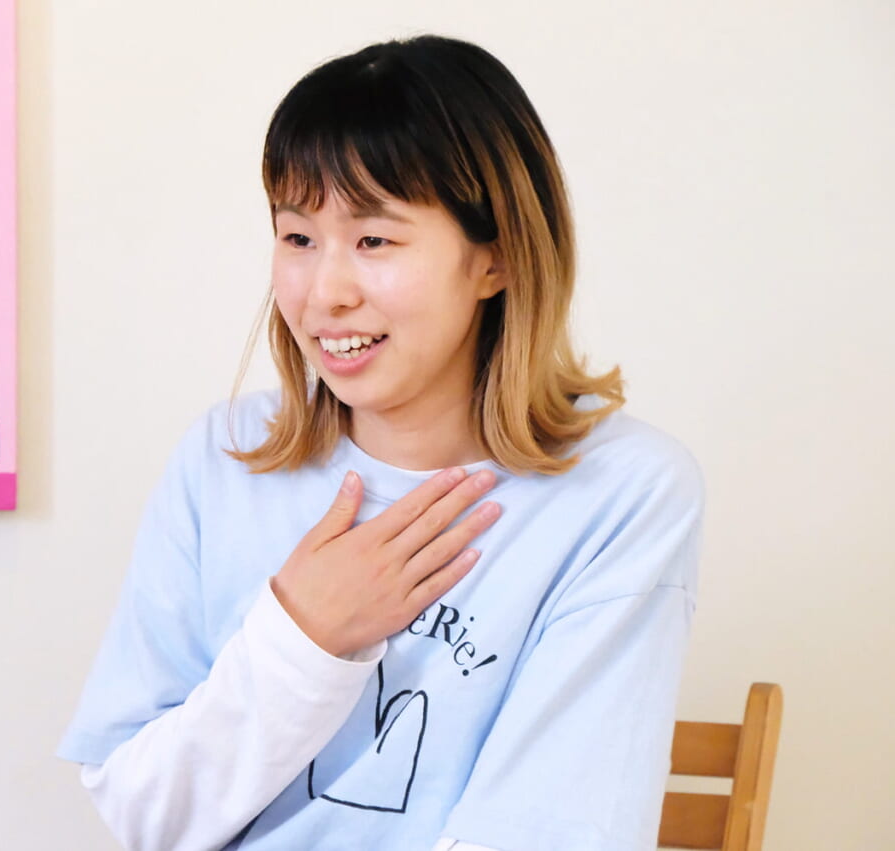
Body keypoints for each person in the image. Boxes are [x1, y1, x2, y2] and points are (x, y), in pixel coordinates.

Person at [56, 33, 705, 851]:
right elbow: (145, 814)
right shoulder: (224, 456)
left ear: (496, 258)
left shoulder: (621, 493)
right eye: (298, 238)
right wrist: (304, 637)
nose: (325, 292)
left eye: (374, 241)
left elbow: (551, 831)